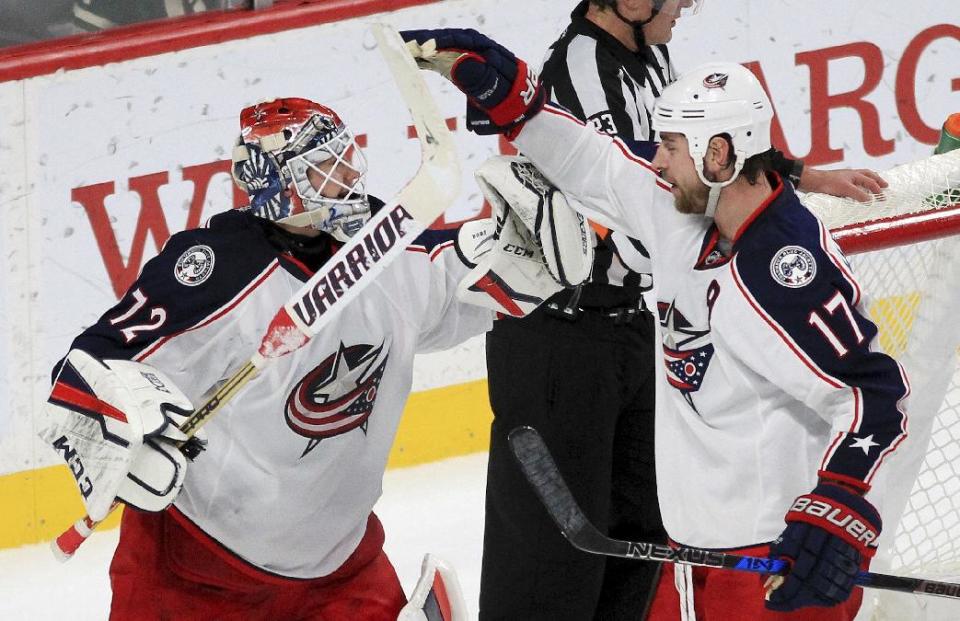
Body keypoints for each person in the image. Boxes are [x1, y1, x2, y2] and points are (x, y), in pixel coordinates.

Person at [401, 29, 909, 620]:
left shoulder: (784, 269)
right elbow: (596, 161)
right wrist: (516, 100)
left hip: (772, 573)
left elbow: (873, 394)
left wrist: (836, 507)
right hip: (690, 563)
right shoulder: (684, 208)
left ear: (719, 155)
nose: (656, 159)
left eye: (669, 144)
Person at [36, 97, 545, 620]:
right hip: (196, 573)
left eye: (346, 157)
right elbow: (87, 366)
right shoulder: (216, 269)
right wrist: (132, 432)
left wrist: (533, 266)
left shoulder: (386, 245)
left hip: (342, 572)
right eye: (324, 167)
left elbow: (463, 287)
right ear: (276, 184)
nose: (348, 174)